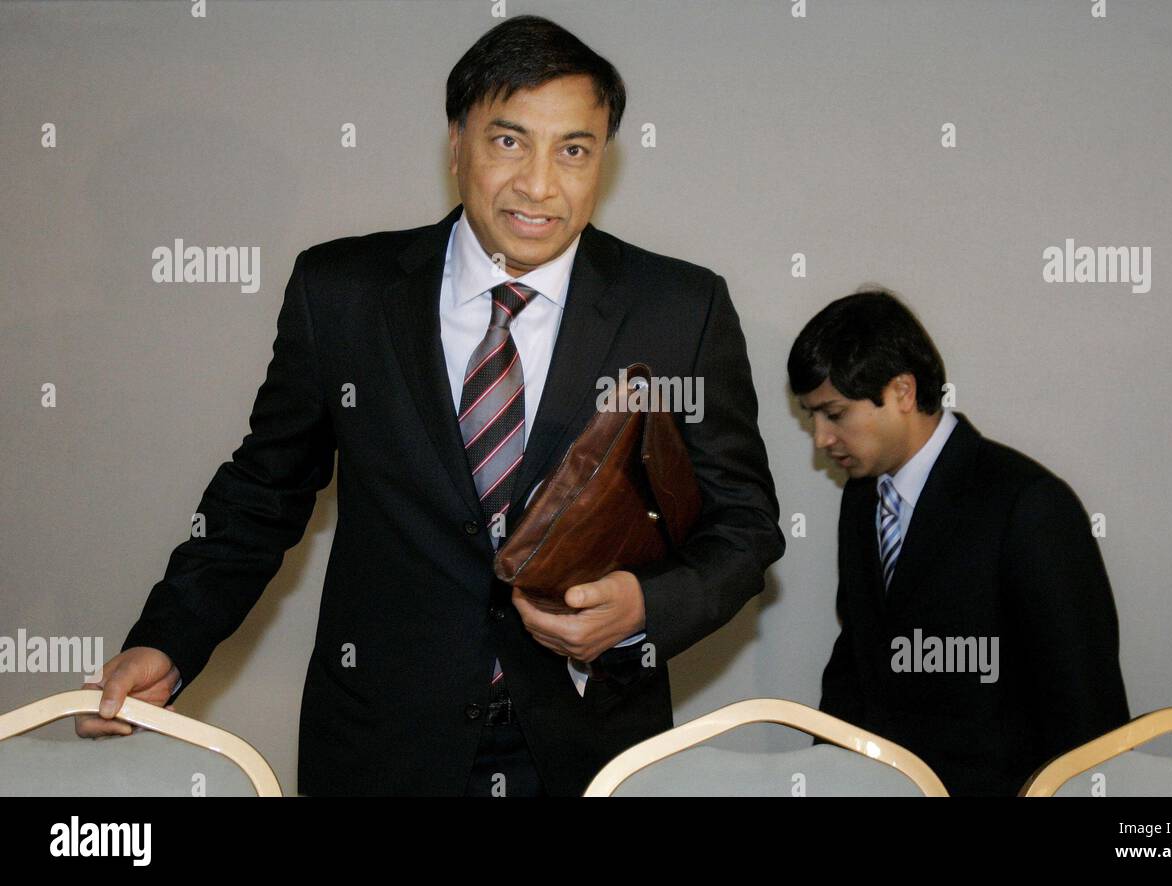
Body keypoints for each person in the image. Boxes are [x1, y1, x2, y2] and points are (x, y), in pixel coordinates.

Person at [76, 15, 785, 797]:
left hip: (588, 750)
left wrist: (645, 607)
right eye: (509, 141)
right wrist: (169, 642)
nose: (539, 184)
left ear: (603, 161)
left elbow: (745, 527)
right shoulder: (341, 292)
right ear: (457, 143)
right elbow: (263, 491)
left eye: (573, 151)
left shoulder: (679, 308)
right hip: (380, 747)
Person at [788, 288, 1129, 796]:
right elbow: (857, 662)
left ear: (902, 391)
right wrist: (823, 780)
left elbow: (1085, 708)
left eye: (834, 414)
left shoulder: (1027, 504)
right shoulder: (863, 498)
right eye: (810, 416)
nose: (820, 438)